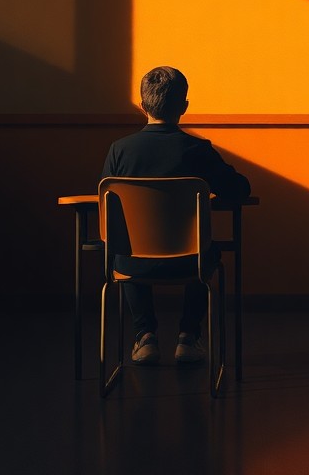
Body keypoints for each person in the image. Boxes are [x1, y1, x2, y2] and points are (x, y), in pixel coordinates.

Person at [100, 66, 251, 365]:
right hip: (189, 260)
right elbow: (240, 189)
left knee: (121, 247)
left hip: (133, 263)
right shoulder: (197, 150)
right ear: (184, 107)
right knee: (207, 248)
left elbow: (108, 208)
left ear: (142, 106)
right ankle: (188, 337)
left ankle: (145, 337)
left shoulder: (120, 150)